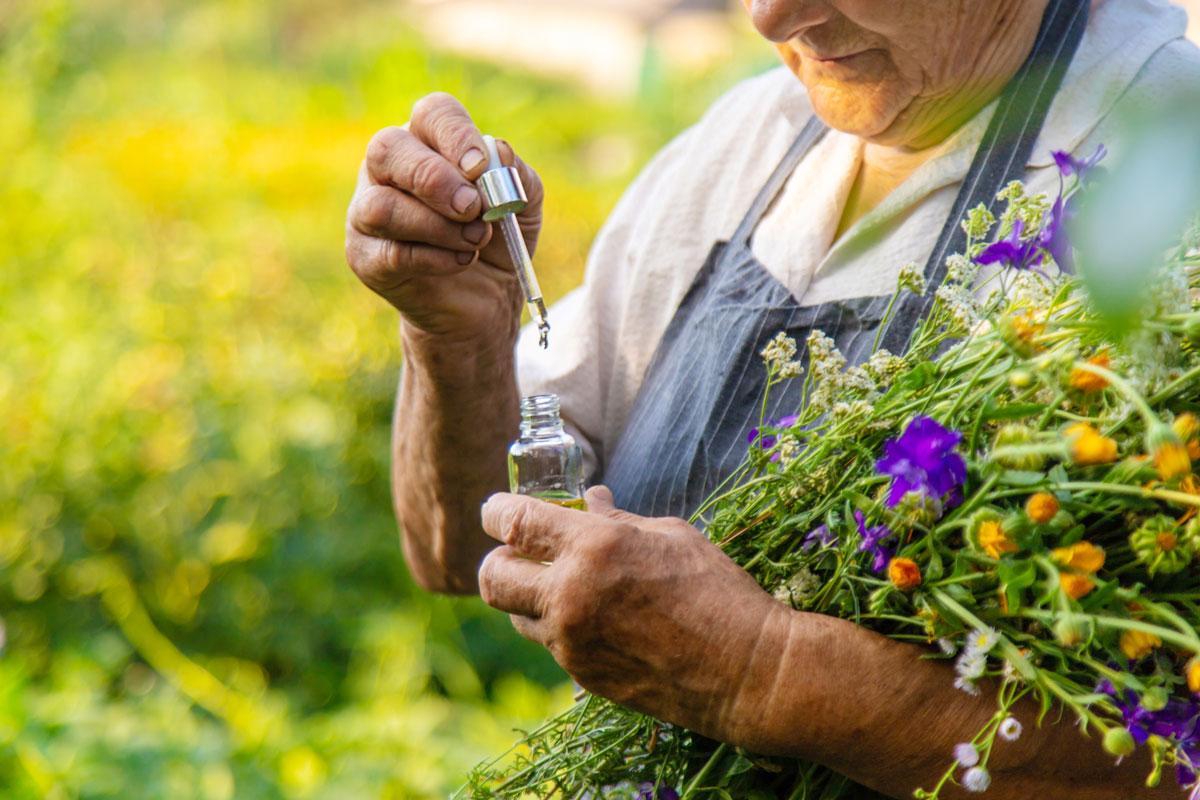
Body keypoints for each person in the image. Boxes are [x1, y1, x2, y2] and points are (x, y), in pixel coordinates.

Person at [344, 0, 1200, 796]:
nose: (768, 15)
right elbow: (461, 552)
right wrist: (458, 343)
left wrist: (765, 672)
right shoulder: (750, 142)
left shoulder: (1167, 179)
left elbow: (1174, 765)